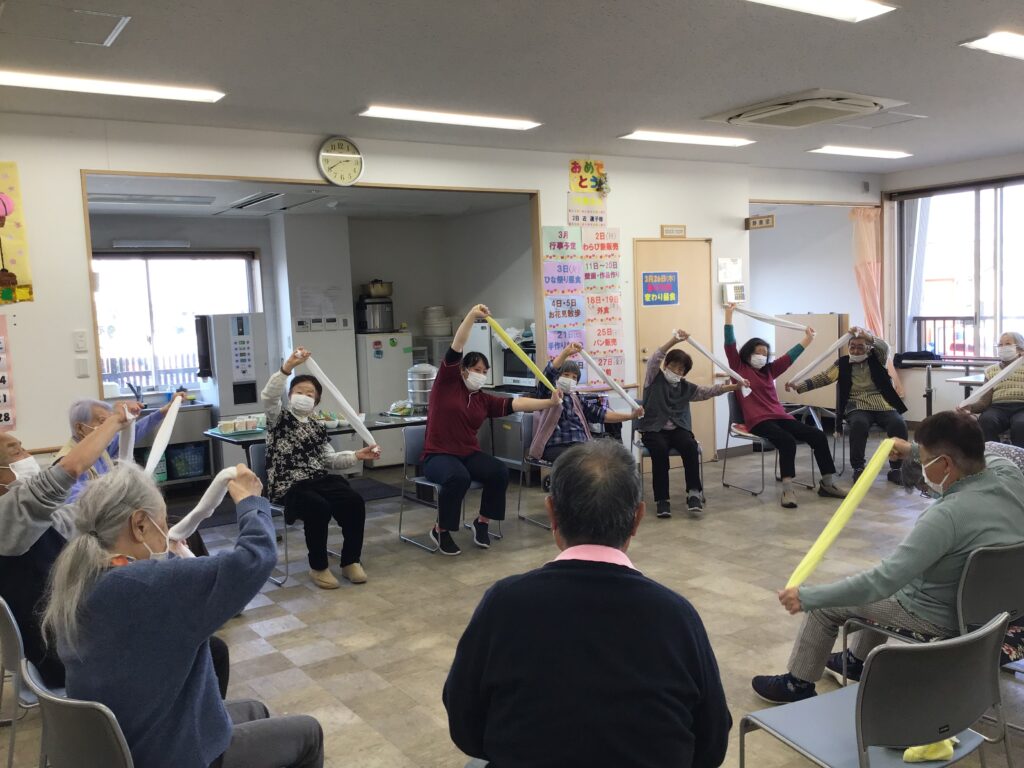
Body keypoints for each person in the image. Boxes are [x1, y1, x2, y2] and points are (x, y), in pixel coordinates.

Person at [443, 440, 731, 767]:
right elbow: (711, 744)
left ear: (551, 512)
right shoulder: (677, 616)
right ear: (638, 518)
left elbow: (464, 724)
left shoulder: (503, 604)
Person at [42, 463, 324, 768]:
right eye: (163, 525)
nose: (166, 534)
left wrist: (178, 560)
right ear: (139, 525)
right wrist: (250, 502)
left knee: (255, 709)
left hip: (120, 739)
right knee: (309, 733)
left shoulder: (81, 577)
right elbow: (253, 560)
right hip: (165, 755)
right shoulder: (147, 586)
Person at [751, 410, 1024, 704]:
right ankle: (856, 661)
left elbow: (882, 582)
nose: (922, 467)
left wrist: (807, 598)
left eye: (926, 460)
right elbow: (989, 454)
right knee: (886, 586)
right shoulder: (1010, 476)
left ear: (945, 464)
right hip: (1005, 610)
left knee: (828, 606)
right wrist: (914, 450)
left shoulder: (946, 517)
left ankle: (797, 684)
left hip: (942, 617)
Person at [423, 304, 562, 556]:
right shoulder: (446, 383)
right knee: (458, 478)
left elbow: (517, 403)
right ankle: (441, 529)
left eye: (484, 372)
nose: (481, 375)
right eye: (476, 370)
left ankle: (482, 522)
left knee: (499, 471)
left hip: (467, 454)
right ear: (463, 370)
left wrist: (549, 403)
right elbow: (458, 343)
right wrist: (472, 315)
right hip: (437, 455)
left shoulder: (483, 399)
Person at [262, 347, 379, 590]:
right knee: (318, 507)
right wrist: (287, 368)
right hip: (288, 485)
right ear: (290, 395)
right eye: (298, 392)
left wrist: (357, 455)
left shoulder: (317, 425)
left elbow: (329, 459)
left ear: (316, 401)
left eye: (310, 394)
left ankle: (350, 561)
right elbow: (269, 396)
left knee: (354, 501)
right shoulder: (278, 418)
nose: (304, 396)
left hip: (317, 480)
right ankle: (318, 567)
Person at [724, 303, 847, 509]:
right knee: (787, 441)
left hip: (780, 416)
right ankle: (788, 489)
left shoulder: (770, 371)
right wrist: (729, 315)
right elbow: (729, 344)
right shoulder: (738, 368)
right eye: (758, 352)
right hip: (757, 421)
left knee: (818, 436)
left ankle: (827, 484)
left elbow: (790, 357)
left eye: (765, 354)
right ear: (748, 353)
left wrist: (808, 339)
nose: (762, 356)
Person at [639, 331, 747, 519]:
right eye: (673, 366)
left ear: (684, 373)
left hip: (678, 430)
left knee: (690, 446)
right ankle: (662, 499)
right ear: (665, 365)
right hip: (653, 430)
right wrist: (674, 340)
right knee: (659, 451)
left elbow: (708, 391)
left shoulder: (686, 387)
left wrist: (733, 387)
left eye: (681, 369)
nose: (676, 371)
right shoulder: (653, 378)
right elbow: (654, 359)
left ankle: (694, 493)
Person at [787, 327, 908, 483]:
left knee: (898, 423)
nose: (856, 351)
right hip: (856, 405)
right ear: (848, 347)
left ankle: (896, 468)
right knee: (858, 424)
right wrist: (800, 386)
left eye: (860, 347)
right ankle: (858, 468)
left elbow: (884, 347)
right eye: (852, 347)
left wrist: (867, 335)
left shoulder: (878, 358)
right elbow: (824, 378)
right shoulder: (842, 363)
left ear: (868, 348)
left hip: (883, 403)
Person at [528, 341, 643, 463]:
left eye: (574, 377)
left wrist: (630, 416)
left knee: (611, 458)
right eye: (566, 375)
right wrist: (566, 353)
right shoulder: (548, 393)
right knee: (583, 463)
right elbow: (549, 373)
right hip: (557, 446)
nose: (570, 379)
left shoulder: (578, 399)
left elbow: (602, 414)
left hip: (581, 446)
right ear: (557, 377)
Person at [57, 392, 187, 501]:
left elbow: (135, 431)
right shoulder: (68, 463)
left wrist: (165, 410)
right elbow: (76, 506)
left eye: (110, 422)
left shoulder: (100, 449)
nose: (108, 428)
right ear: (80, 428)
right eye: (103, 422)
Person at [963, 331, 1024, 446]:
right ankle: (992, 454)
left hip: (1022, 407)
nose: (1003, 347)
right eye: (1000, 344)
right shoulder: (991, 371)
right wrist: (970, 407)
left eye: (1008, 344)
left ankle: (1019, 456)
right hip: (998, 408)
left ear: (1020, 348)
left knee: (1021, 424)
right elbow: (984, 402)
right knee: (986, 420)